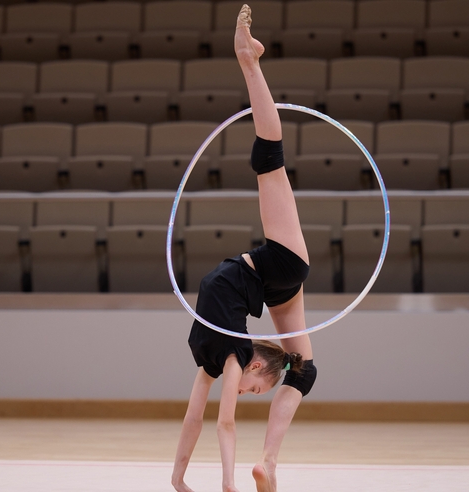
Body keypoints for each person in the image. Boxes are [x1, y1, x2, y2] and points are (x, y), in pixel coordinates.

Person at [171, 6, 318, 492]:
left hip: (273, 274)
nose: (247, 392)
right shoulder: (225, 352)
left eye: (253, 391)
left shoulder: (219, 356)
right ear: (255, 364)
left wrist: (182, 478)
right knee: (269, 164)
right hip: (276, 271)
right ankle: (249, 62)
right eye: (257, 389)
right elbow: (213, 420)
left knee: (306, 370)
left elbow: (202, 417)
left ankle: (270, 464)